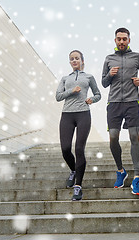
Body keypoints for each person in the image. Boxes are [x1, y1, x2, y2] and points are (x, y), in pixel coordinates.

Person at [101, 27, 139, 196]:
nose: (121, 41)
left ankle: (136, 176)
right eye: (119, 39)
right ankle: (121, 171)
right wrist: (110, 75)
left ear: (129, 40)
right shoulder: (109, 59)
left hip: (131, 102)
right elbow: (104, 83)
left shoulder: (136, 57)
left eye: (124, 39)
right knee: (113, 138)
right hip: (114, 103)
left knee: (134, 136)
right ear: (115, 40)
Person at [56, 50, 101, 201]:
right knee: (65, 149)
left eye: (77, 58)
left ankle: (78, 186)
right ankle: (74, 170)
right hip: (67, 115)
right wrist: (71, 90)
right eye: (71, 59)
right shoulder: (64, 78)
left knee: (79, 148)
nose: (74, 61)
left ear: (82, 60)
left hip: (83, 114)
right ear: (69, 62)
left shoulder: (89, 77)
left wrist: (92, 100)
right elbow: (58, 96)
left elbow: (98, 94)